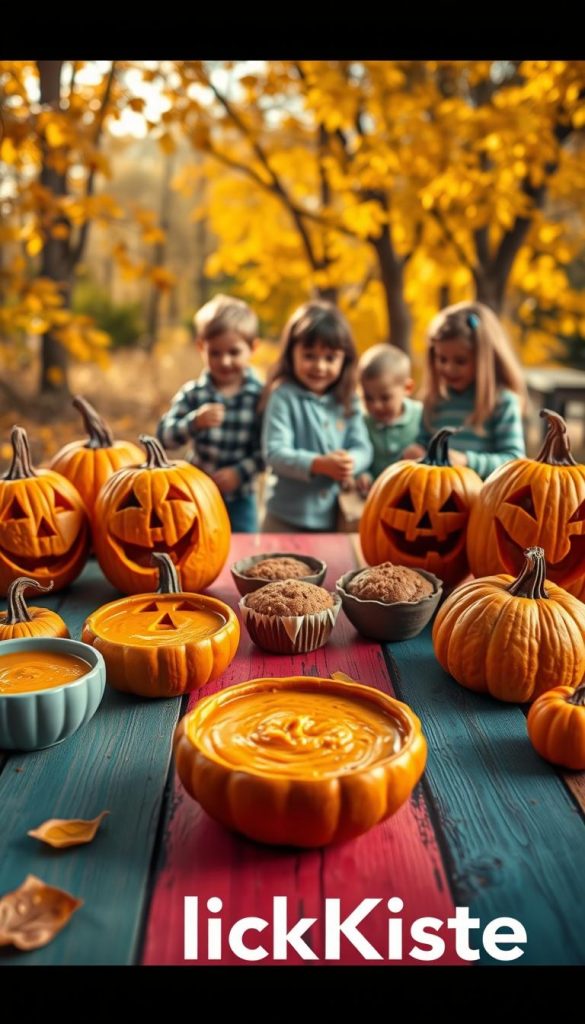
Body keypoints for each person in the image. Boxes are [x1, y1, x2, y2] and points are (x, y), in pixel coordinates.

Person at [261, 300, 373, 532]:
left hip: (334, 518)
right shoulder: (283, 396)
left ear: (345, 359)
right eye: (309, 356)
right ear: (291, 353)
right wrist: (319, 464)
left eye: (330, 358)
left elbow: (363, 447)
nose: (319, 366)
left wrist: (349, 462)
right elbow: (275, 452)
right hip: (283, 518)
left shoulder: (347, 398)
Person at [156, 293, 265, 532]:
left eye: (234, 352)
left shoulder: (260, 397)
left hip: (240, 498)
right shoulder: (194, 394)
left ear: (252, 348)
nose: (225, 361)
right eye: (215, 353)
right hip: (196, 494)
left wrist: (239, 473)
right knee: (196, 545)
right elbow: (164, 436)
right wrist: (193, 422)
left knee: (243, 552)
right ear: (200, 347)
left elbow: (266, 450)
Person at [402, 302, 526, 478]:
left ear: (484, 359)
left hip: (485, 500)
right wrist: (415, 451)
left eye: (460, 361)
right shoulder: (434, 401)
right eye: (442, 359)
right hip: (436, 496)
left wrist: (467, 462)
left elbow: (514, 461)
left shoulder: (502, 402)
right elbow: (423, 444)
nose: (449, 369)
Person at [355, 343, 423, 495]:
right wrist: (363, 474)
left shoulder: (420, 416)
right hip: (377, 495)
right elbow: (361, 455)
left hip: (413, 493)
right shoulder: (363, 422)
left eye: (385, 398)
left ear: (407, 388)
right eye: (368, 398)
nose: (376, 406)